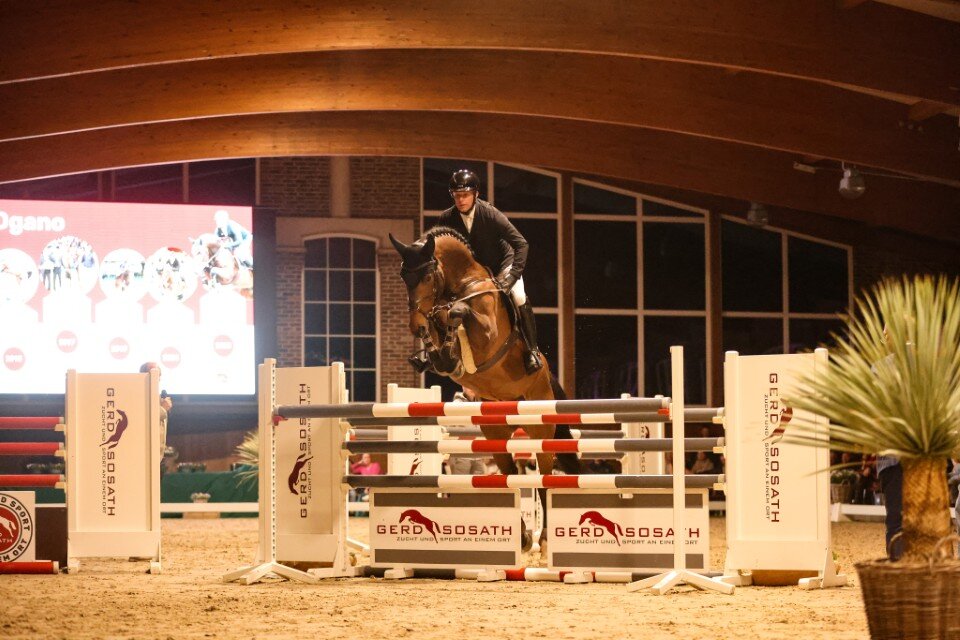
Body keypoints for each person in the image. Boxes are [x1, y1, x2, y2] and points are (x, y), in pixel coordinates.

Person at [435, 169, 543, 374]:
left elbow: (522, 244)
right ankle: (432, 351)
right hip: (474, 273)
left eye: (465, 195)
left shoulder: (490, 214)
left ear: (476, 194)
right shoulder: (447, 218)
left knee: (518, 295)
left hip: (502, 264)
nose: (460, 200)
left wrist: (512, 277)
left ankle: (532, 351)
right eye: (456, 195)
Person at [140, 362, 172, 456]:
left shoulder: (158, 397)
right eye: (153, 373)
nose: (157, 377)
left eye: (159, 374)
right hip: (144, 453)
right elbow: (145, 417)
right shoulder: (140, 393)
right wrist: (163, 409)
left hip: (157, 455)